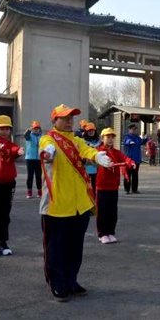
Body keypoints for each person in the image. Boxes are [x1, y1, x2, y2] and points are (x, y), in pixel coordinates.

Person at [39, 104, 112, 302]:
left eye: (71, 117)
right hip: (57, 206)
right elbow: (45, 149)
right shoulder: (48, 139)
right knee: (56, 248)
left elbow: (87, 150)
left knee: (74, 248)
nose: (69, 120)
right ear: (54, 121)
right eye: (64, 117)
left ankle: (71, 280)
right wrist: (49, 151)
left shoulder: (77, 140)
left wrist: (97, 156)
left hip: (80, 205)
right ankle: (57, 283)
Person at [0, 115, 24, 257]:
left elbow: (14, 149)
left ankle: (3, 242)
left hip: (8, 183)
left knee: (5, 214)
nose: (4, 131)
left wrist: (19, 151)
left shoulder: (11, 144)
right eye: (1, 128)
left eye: (7, 129)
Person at [96, 128, 136, 244]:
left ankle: (110, 232)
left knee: (112, 212)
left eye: (112, 137)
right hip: (102, 186)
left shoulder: (116, 152)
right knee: (102, 211)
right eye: (107, 137)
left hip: (113, 187)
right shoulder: (98, 151)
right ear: (102, 138)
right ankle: (102, 234)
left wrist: (131, 162)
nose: (110, 139)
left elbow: (124, 158)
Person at [122, 124, 148, 194]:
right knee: (127, 174)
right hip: (129, 159)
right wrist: (130, 142)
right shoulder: (127, 137)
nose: (134, 131)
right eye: (133, 129)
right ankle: (127, 189)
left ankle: (134, 189)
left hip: (136, 159)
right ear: (129, 130)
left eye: (135, 129)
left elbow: (141, 142)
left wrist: (145, 139)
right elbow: (126, 141)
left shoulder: (137, 137)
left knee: (135, 175)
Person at [24, 121, 43, 199]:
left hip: (39, 159)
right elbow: (25, 135)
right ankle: (29, 191)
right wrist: (28, 130)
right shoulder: (29, 135)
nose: (36, 130)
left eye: (37, 128)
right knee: (30, 176)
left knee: (39, 176)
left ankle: (39, 191)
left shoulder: (42, 136)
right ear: (32, 128)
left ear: (39, 129)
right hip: (30, 158)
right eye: (34, 128)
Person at [83, 122, 101, 195]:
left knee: (94, 183)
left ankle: (94, 197)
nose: (91, 132)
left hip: (95, 166)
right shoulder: (83, 142)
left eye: (92, 130)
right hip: (86, 165)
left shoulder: (99, 142)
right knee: (85, 184)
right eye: (89, 131)